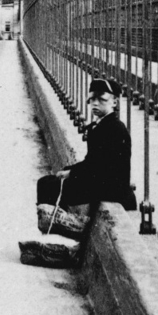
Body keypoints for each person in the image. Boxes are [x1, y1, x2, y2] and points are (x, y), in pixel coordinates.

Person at [37, 77, 136, 214]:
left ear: (114, 102)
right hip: (103, 184)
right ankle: (58, 221)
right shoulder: (104, 125)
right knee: (49, 182)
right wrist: (70, 171)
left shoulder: (114, 129)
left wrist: (71, 173)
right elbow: (93, 162)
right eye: (92, 100)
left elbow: (97, 166)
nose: (95, 104)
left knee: (47, 185)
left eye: (102, 100)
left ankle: (56, 224)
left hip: (110, 189)